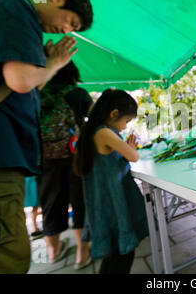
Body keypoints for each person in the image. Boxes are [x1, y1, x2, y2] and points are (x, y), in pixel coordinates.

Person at [0, 0, 93, 273]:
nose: (67, 31)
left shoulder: (4, 12)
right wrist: (56, 62)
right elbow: (21, 80)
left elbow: (19, 89)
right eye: (71, 22)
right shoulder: (12, 6)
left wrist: (47, 65)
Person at [73, 89, 149, 274]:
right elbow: (133, 156)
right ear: (114, 114)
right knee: (122, 256)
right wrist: (132, 148)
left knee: (113, 255)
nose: (124, 127)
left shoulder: (92, 131)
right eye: (126, 121)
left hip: (104, 204)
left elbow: (114, 158)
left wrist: (128, 148)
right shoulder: (104, 132)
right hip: (114, 205)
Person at [37, 60, 93, 269]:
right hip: (75, 157)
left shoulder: (37, 92)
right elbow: (97, 120)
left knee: (50, 204)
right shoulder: (78, 94)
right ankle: (82, 253)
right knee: (79, 203)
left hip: (45, 159)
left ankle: (54, 251)